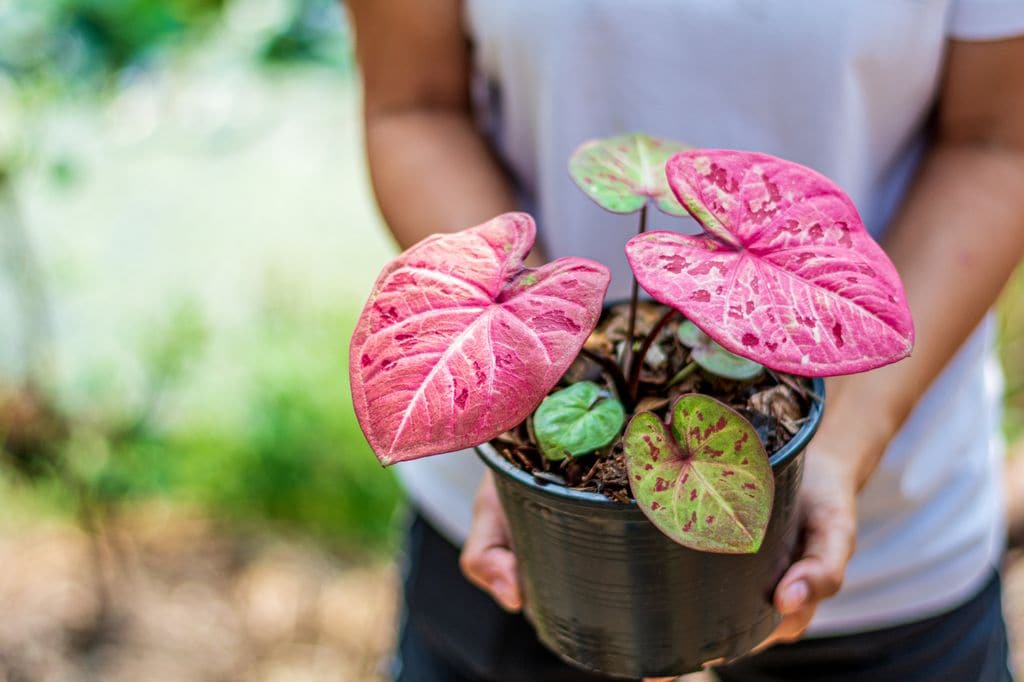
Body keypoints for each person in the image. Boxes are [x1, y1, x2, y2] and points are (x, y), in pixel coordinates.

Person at [347, 2, 1024, 680]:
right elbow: (415, 105)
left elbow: (999, 145)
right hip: (519, 537)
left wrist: (844, 446)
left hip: (896, 544)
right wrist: (524, 377)